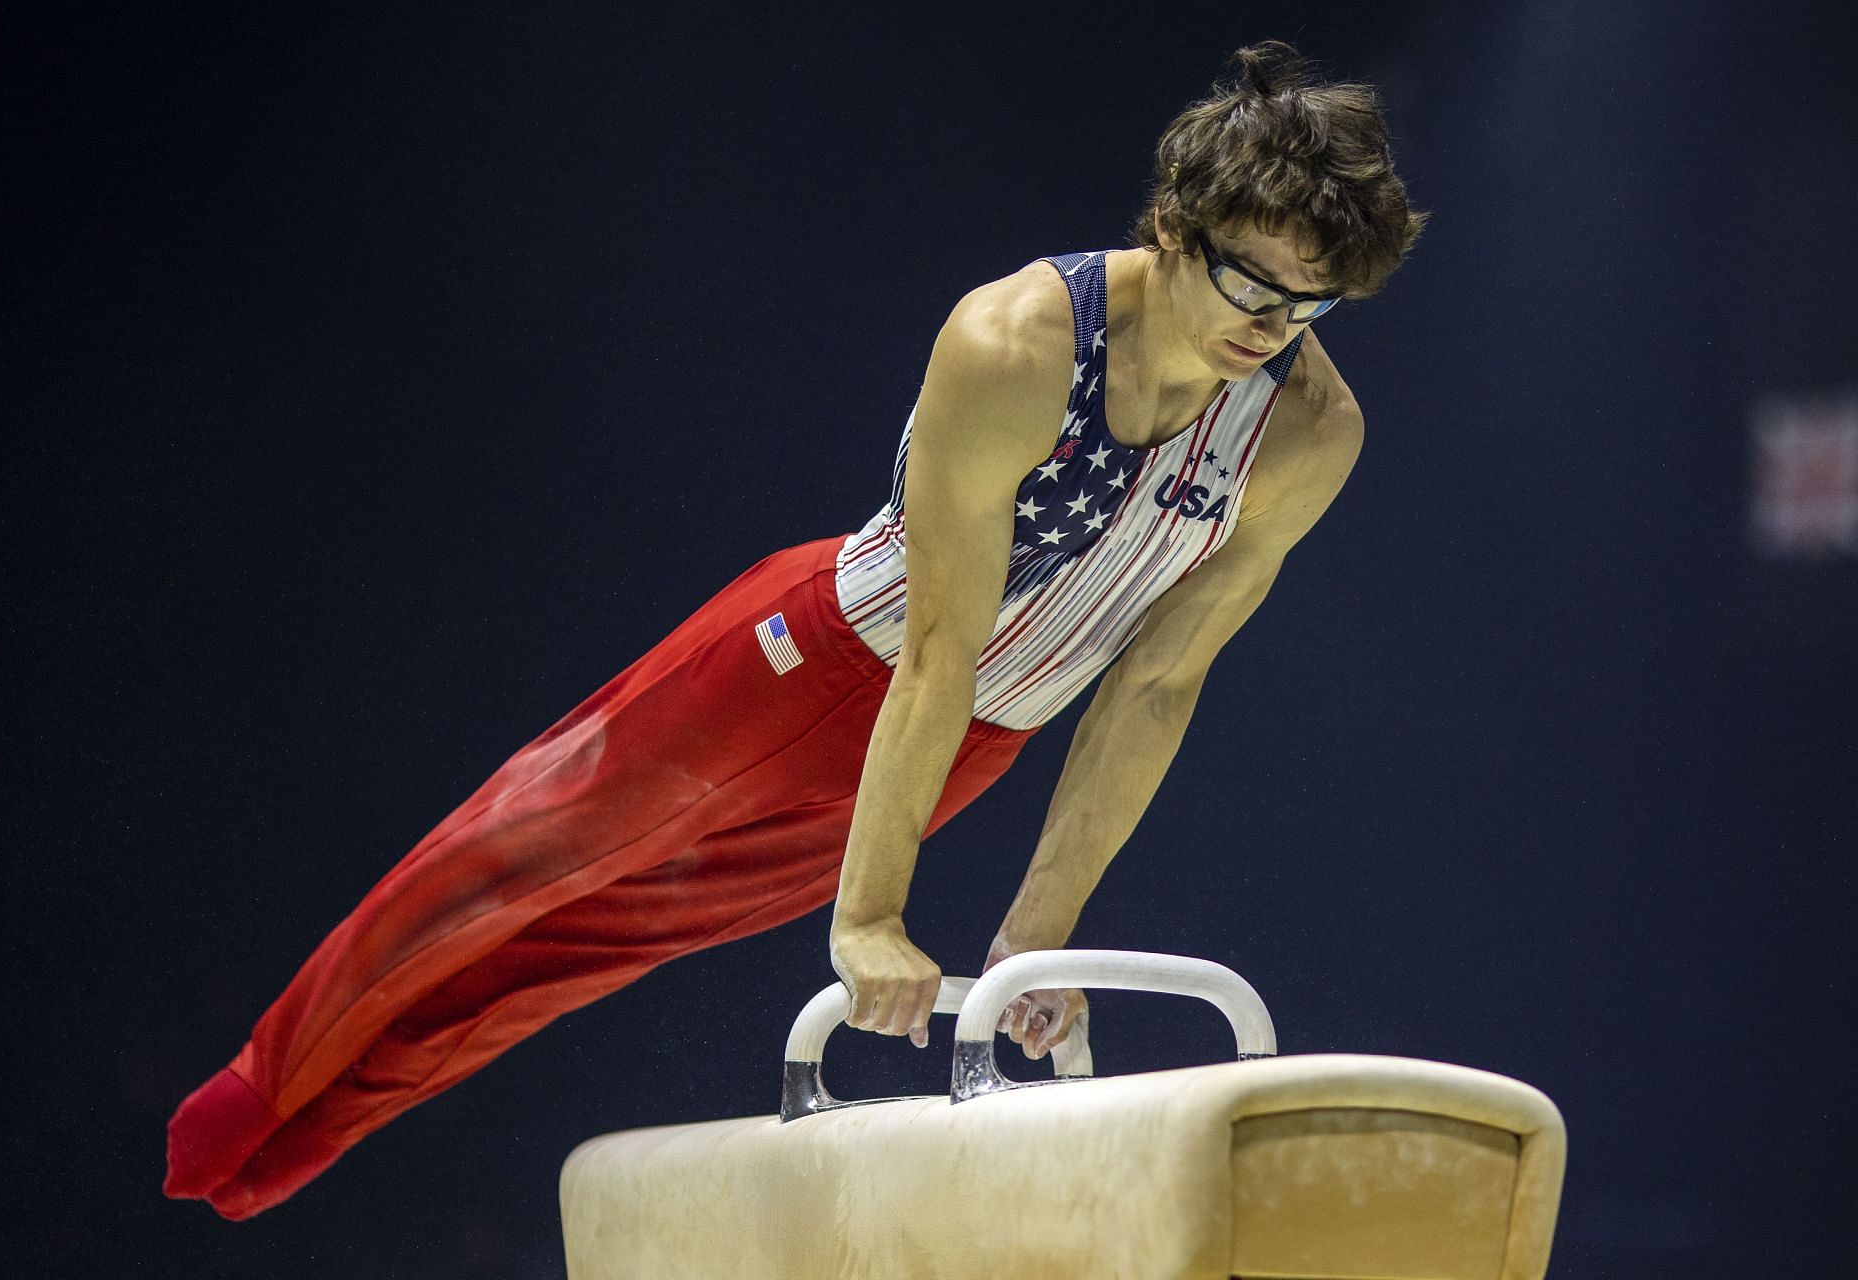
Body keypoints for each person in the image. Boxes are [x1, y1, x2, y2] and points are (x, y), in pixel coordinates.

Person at [163, 38, 1426, 1220]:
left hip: (964, 747)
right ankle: (258, 1090)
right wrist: (871, 912)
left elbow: (1156, 685)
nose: (1270, 323)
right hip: (809, 660)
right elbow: (937, 646)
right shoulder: (1020, 341)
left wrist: (1033, 942)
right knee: (511, 860)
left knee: (595, 946)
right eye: (1250, 278)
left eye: (1311, 303)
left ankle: (300, 1148)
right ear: (1173, 223)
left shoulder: (1310, 433)